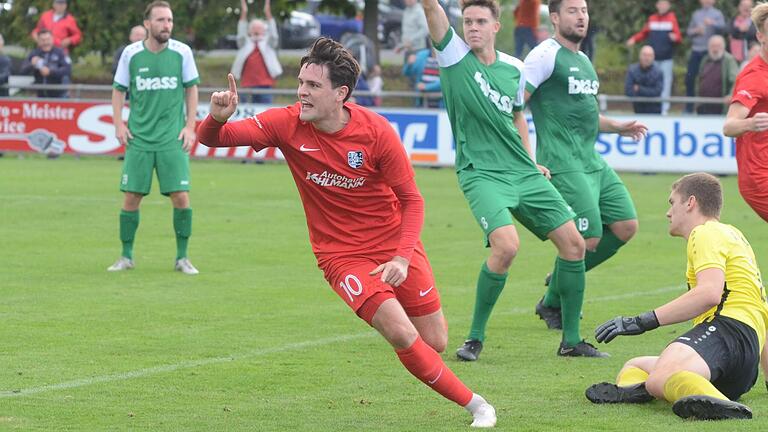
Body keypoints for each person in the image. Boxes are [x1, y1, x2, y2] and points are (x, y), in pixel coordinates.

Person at [197, 37, 498, 428]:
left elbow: (413, 201)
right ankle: (479, 406)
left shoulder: (376, 132)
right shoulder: (284, 123)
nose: (301, 92)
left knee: (435, 341)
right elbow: (212, 139)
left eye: (313, 86)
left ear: (341, 94)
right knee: (400, 332)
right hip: (341, 256)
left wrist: (402, 257)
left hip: (393, 246)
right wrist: (218, 116)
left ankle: (429, 356)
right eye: (301, 82)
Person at [420, 0, 596, 361]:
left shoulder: (515, 68)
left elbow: (517, 114)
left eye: (480, 21)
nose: (472, 27)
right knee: (507, 247)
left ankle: (572, 342)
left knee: (575, 245)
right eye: (467, 21)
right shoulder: (453, 56)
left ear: (496, 26)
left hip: (522, 172)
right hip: (481, 173)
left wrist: (532, 162)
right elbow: (431, 10)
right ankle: (474, 339)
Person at [585, 173, 768, 421]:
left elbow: (709, 293)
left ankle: (717, 405)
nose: (668, 213)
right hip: (743, 366)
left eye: (672, 202)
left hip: (725, 332)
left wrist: (641, 321)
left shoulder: (705, 233)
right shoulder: (735, 235)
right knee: (636, 365)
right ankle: (654, 391)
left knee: (660, 377)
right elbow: (761, 308)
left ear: (690, 203)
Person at [524, 0, 646, 346]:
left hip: (592, 160)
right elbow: (515, 104)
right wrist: (526, 156)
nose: (581, 17)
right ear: (555, 17)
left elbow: (589, 115)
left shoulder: (584, 60)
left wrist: (617, 127)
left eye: (585, 10)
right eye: (573, 10)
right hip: (561, 161)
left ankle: (553, 293)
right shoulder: (544, 56)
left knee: (626, 226)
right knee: (587, 238)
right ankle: (558, 302)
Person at [108, 1, 200, 275]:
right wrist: (118, 124)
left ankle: (182, 258)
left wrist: (190, 126)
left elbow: (192, 89)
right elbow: (118, 90)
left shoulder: (183, 52)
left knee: (181, 197)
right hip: (139, 139)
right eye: (160, 20)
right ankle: (126, 256)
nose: (166, 25)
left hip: (172, 139)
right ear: (147, 23)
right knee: (131, 198)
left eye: (169, 20)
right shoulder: (131, 54)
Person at [723, 2, 768, 223]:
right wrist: (751, 124)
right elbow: (729, 126)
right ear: (761, 37)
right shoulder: (754, 77)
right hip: (759, 177)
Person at [626, 0, 682, 115]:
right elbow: (644, 33)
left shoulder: (672, 18)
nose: (662, 6)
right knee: (651, 83)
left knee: (666, 83)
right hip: (653, 58)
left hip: (666, 58)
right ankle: (648, 107)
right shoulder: (652, 19)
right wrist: (634, 39)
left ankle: (664, 109)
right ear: (657, 5)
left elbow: (679, 38)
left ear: (668, 6)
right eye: (660, 4)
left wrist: (675, 37)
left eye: (665, 4)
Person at [231, 0, 282, 104]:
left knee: (265, 114)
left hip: (265, 85)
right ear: (249, 31)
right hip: (247, 85)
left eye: (259, 28)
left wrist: (268, 13)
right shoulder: (245, 44)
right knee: (247, 115)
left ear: (264, 31)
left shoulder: (268, 43)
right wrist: (244, 12)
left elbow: (274, 35)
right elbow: (240, 33)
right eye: (254, 28)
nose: (256, 30)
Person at [685, 0, 725, 113]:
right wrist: (696, 31)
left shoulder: (717, 14)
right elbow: (688, 32)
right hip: (696, 50)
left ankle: (706, 107)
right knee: (690, 79)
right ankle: (689, 107)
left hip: (710, 53)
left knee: (708, 81)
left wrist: (712, 23)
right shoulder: (696, 14)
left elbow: (723, 28)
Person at [21, 29, 71, 98]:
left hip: (59, 95)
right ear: (38, 41)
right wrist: (31, 65)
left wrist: (50, 72)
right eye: (42, 40)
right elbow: (23, 71)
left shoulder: (60, 53)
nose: (45, 42)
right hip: (40, 95)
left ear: (52, 39)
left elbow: (67, 70)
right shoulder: (34, 53)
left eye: (48, 39)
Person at [695, 34, 738, 115]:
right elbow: (699, 80)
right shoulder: (705, 59)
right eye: (712, 46)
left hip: (721, 106)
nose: (715, 48)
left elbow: (736, 80)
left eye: (718, 46)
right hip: (704, 105)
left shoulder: (729, 60)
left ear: (723, 46)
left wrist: (731, 95)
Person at [625, 45, 663, 114]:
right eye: (644, 55)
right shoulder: (632, 70)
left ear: (653, 57)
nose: (647, 58)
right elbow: (628, 91)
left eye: (649, 55)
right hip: (637, 111)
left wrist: (639, 89)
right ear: (640, 56)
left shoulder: (658, 72)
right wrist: (648, 91)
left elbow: (657, 92)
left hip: (655, 112)